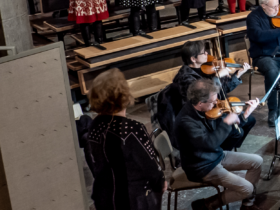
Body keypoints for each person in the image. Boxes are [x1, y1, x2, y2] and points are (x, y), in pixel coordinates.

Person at [83, 69, 165, 210]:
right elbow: (150, 165)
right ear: (124, 94)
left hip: (104, 197)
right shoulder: (131, 130)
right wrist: (160, 183)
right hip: (134, 199)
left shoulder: (94, 125)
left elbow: (94, 164)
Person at [174, 78, 262, 209]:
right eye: (213, 101)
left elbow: (227, 134)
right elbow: (210, 143)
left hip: (215, 155)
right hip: (202, 166)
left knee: (257, 161)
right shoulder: (186, 122)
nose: (216, 103)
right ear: (200, 103)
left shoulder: (205, 111)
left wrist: (245, 115)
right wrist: (226, 123)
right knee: (248, 188)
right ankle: (207, 204)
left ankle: (246, 199)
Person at [170, 40, 253, 150]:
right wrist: (217, 77)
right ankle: (220, 152)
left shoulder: (206, 68)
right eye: (203, 53)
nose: (207, 54)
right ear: (193, 59)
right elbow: (204, 96)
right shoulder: (185, 78)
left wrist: (238, 74)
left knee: (250, 120)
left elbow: (223, 89)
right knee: (237, 132)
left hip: (215, 105)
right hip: (204, 114)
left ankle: (229, 147)